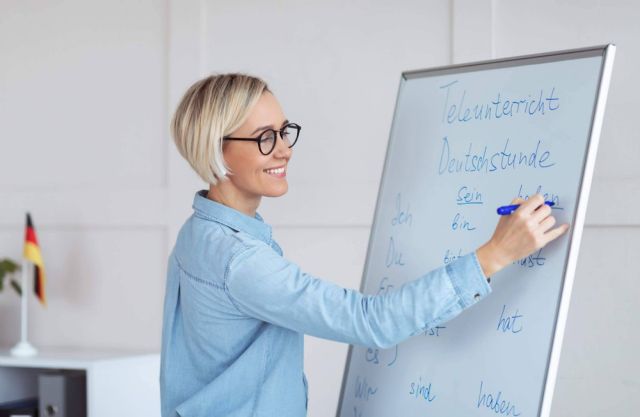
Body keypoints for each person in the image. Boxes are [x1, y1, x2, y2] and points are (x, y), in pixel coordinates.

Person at [159, 73, 569, 417]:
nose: (284, 149)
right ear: (219, 151)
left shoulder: (198, 232)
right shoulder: (239, 260)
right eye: (265, 137)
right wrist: (494, 254)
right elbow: (369, 322)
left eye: (284, 132)